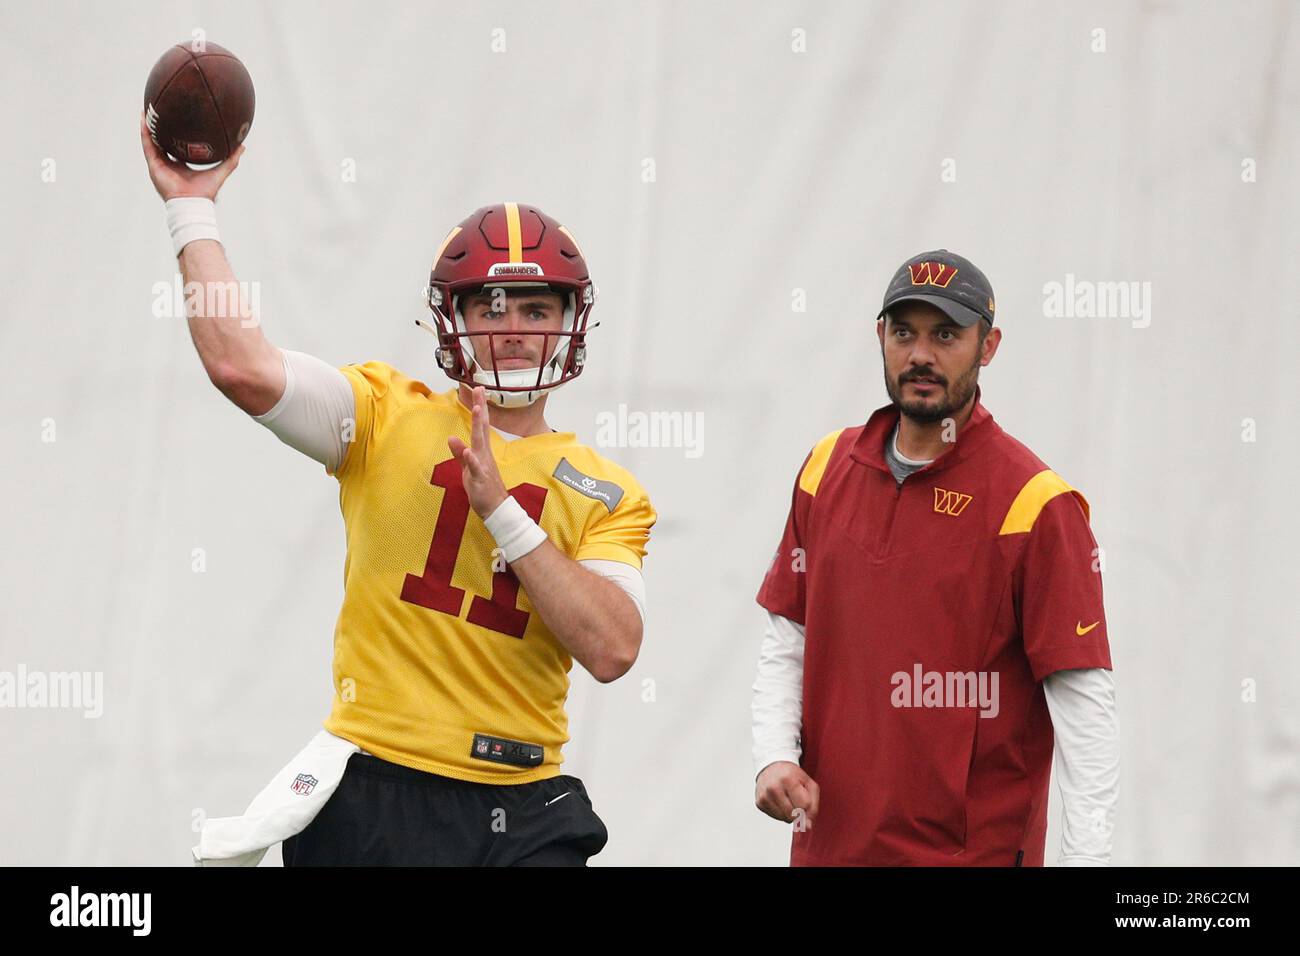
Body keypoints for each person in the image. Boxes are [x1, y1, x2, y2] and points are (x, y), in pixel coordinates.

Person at [141, 115, 656, 866]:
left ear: (571, 324)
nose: (513, 329)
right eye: (491, 307)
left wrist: (504, 515)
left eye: (537, 309)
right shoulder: (385, 414)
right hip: (378, 788)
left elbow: (613, 649)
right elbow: (240, 366)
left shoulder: (610, 491)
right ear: (454, 319)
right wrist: (192, 207)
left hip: (525, 798)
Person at [751, 249, 1119, 866]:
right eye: (904, 332)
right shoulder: (825, 468)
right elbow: (788, 635)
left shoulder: (1035, 504)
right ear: (880, 337)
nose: (921, 354)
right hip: (829, 851)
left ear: (989, 345)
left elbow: (1086, 710)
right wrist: (773, 753)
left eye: (946, 334)